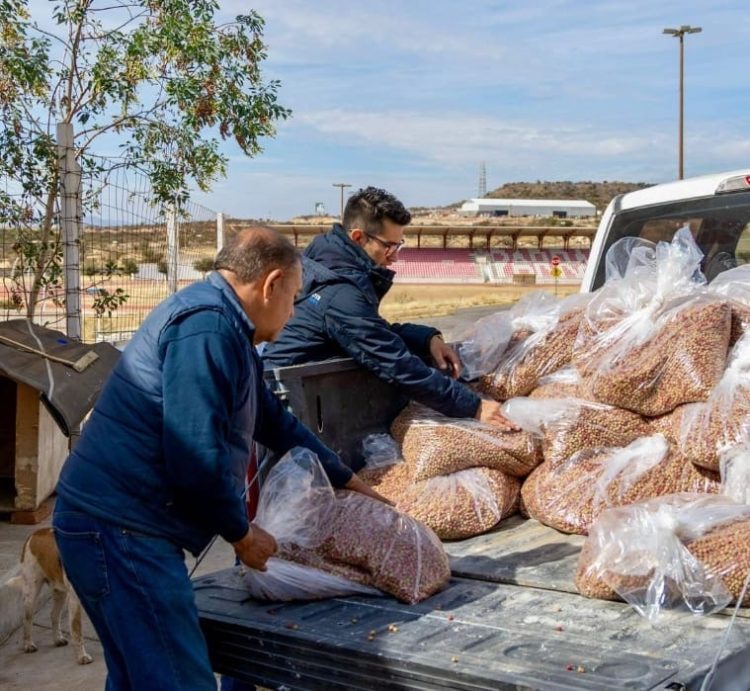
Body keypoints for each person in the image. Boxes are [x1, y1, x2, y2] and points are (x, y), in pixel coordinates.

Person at [53, 227, 388, 690]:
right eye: (293, 299)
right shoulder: (207, 329)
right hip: (121, 529)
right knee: (176, 679)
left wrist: (345, 478)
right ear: (271, 284)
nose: (293, 314)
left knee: (139, 676)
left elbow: (271, 419)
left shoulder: (227, 327)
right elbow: (194, 455)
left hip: (117, 524)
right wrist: (241, 534)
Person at [262, 186, 515, 428]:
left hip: (302, 397)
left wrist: (427, 338)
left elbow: (374, 329)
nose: (395, 256)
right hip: (289, 407)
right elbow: (395, 363)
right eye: (389, 246)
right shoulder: (339, 293)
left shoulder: (330, 263)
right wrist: (474, 407)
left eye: (399, 245)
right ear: (358, 238)